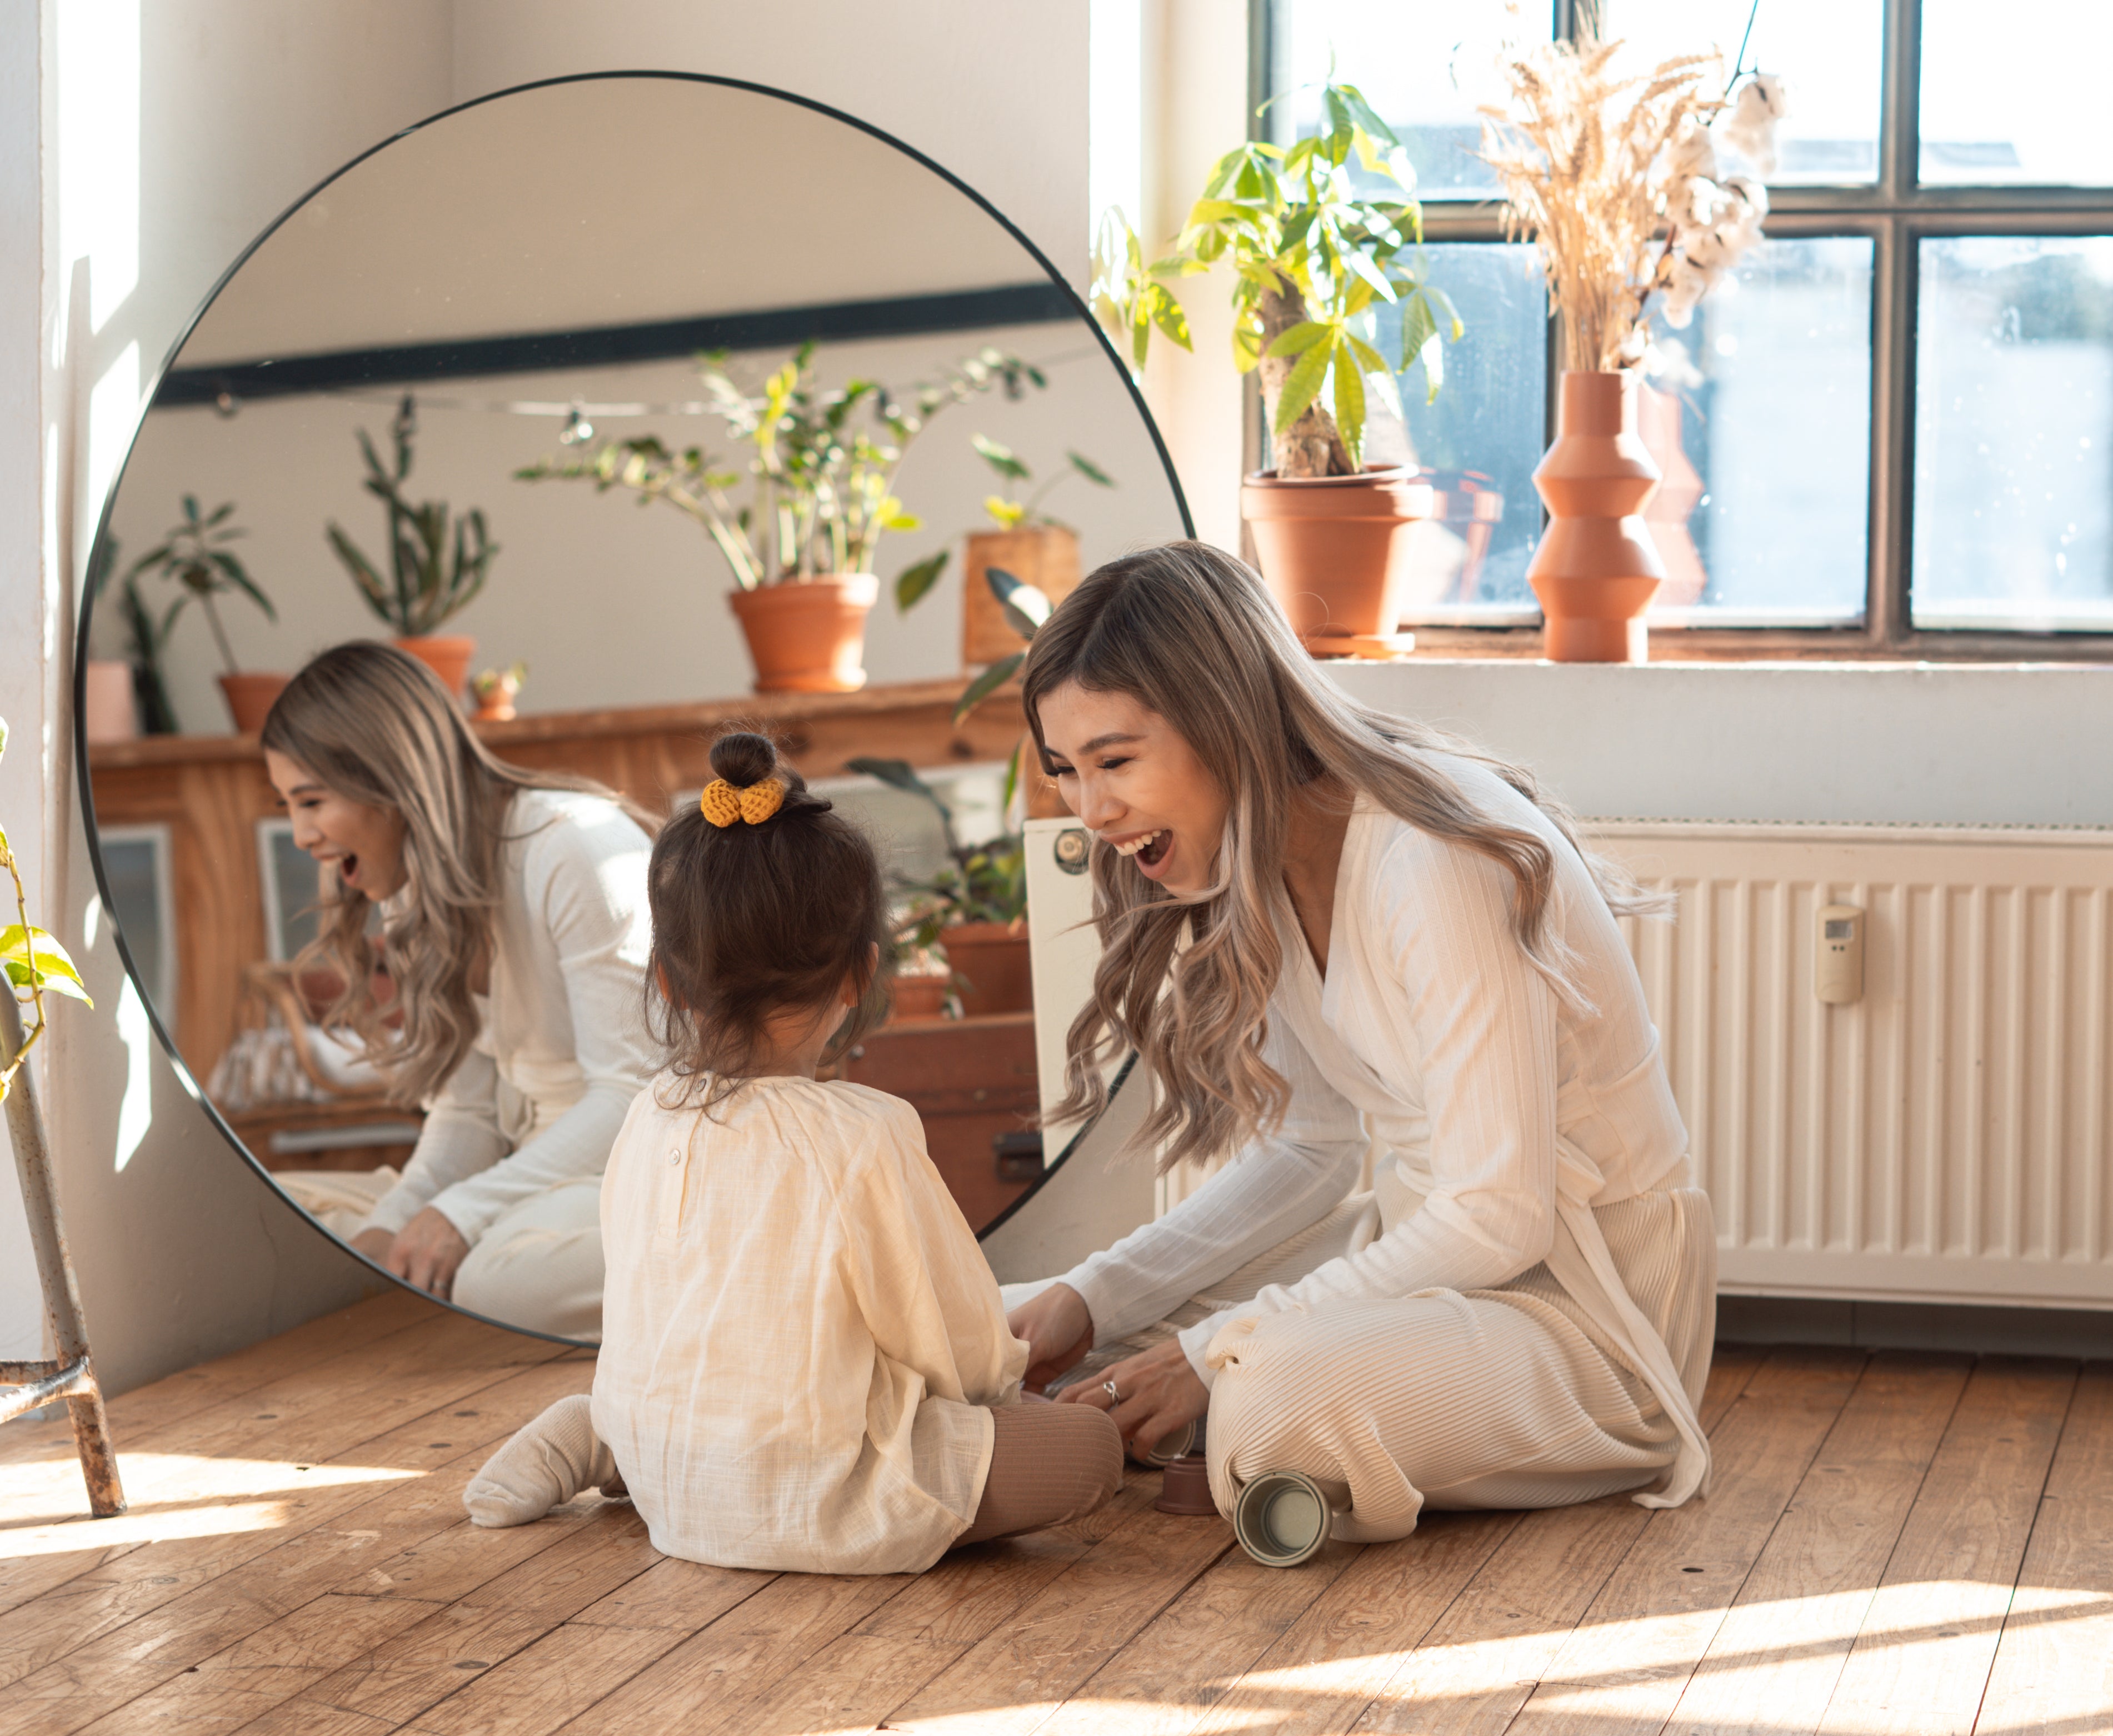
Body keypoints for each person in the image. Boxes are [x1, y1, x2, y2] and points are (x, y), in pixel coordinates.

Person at [1006, 541, 1717, 1541]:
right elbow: (1312, 1148)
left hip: (1589, 1314)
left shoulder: (1434, 855)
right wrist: (1093, 1296)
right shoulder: (1261, 859)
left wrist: (1211, 1353)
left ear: (1225, 716)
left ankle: (1249, 1426)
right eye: (1068, 771)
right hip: (1429, 1272)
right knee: (1015, 1318)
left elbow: (1498, 1216)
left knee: (1268, 1393)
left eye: (1115, 761)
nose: (1093, 809)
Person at [459, 732, 1121, 1570]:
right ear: (858, 977)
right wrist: (1017, 1385)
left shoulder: (647, 1117)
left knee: (672, 1390)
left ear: (666, 980)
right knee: (1089, 1449)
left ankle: (606, 1433)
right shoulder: (861, 1135)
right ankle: (612, 1432)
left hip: (675, 1475)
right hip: (818, 1491)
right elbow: (953, 1349)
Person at [263, 641, 659, 1342]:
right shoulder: (416, 884)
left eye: (312, 801)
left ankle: (744, 1260)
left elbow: (634, 1100)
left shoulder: (571, 846)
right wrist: (392, 1231)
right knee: (271, 1218)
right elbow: (470, 1112)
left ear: (390, 779)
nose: (300, 835)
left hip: (636, 1175)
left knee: (493, 1285)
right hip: (530, 1185)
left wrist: (463, 1214)